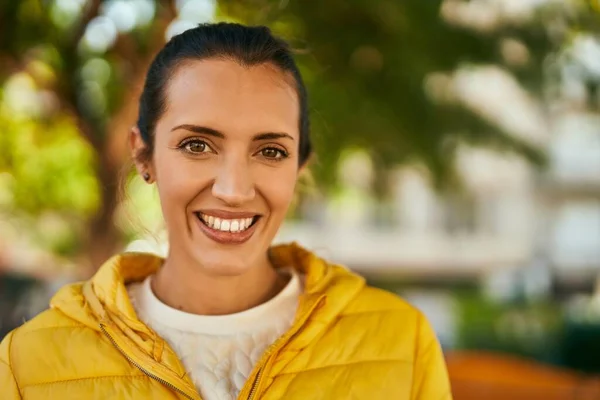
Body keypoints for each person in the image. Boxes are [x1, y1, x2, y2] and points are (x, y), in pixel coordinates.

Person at [0, 23, 452, 399]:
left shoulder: (401, 341)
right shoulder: (27, 364)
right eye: (197, 145)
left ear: (300, 167)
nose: (234, 190)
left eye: (271, 151)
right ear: (145, 157)